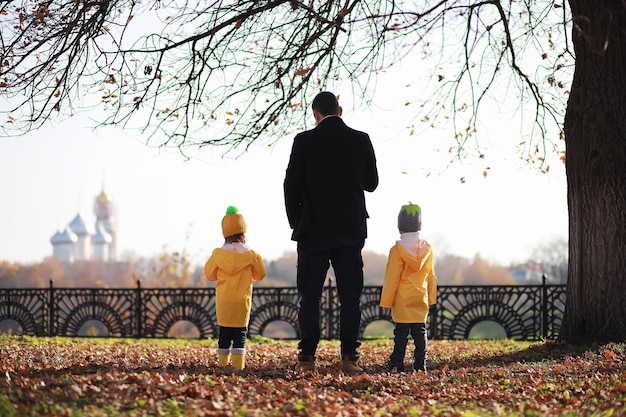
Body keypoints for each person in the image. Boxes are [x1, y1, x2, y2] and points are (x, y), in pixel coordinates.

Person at [283, 91, 379, 372]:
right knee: (350, 297)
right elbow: (371, 183)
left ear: (316, 114)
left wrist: (296, 221)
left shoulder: (304, 141)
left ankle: (307, 358)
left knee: (309, 296)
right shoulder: (361, 140)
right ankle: (349, 357)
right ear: (340, 109)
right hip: (350, 228)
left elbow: (290, 185)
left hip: (313, 230)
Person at [204, 206, 266, 370]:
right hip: (242, 301)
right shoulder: (251, 254)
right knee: (240, 335)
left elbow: (209, 274)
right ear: (243, 231)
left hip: (224, 300)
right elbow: (260, 275)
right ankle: (239, 368)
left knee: (224, 334)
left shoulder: (218, 254)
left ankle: (223, 365)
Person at [379, 202, 437, 373]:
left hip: (402, 299)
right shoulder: (427, 250)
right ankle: (420, 365)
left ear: (400, 229)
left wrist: (386, 302)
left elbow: (392, 279)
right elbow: (431, 276)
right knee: (420, 332)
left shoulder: (396, 251)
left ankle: (397, 363)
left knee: (401, 334)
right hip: (420, 298)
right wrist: (431, 298)